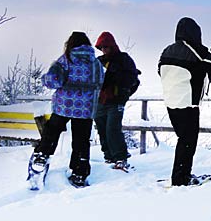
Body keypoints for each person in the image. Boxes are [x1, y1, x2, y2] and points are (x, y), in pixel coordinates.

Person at [158, 17, 211, 186]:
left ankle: (181, 174)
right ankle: (180, 179)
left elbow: (160, 71)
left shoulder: (166, 50)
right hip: (188, 102)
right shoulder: (194, 49)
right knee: (188, 141)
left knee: (183, 139)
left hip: (170, 101)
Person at [30, 32, 105, 187]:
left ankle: (42, 155)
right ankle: (80, 171)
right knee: (81, 140)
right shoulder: (96, 63)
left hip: (64, 105)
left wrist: (44, 79)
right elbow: (100, 82)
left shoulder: (66, 59)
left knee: (52, 130)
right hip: (86, 108)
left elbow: (53, 81)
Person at [93, 32, 140, 171]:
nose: (104, 50)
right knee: (102, 129)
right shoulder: (99, 61)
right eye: (101, 47)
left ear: (112, 46)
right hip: (101, 101)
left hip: (115, 101)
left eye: (106, 47)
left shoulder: (123, 59)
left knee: (112, 129)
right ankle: (109, 156)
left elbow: (133, 80)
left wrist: (122, 94)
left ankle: (120, 158)